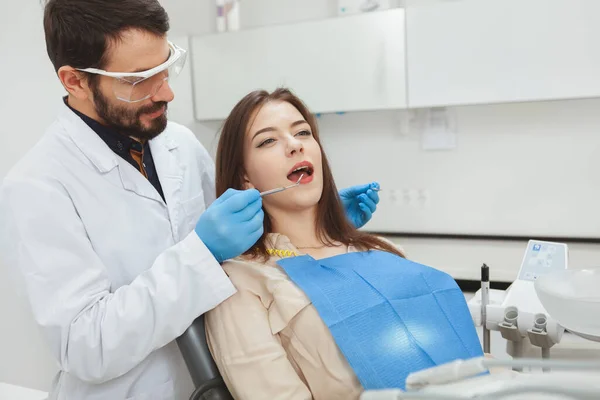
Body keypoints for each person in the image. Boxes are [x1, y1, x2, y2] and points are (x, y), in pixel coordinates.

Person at [0, 1, 380, 399]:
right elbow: (85, 347)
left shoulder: (176, 143)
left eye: (165, 67)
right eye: (137, 80)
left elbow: (245, 254)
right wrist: (200, 253)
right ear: (74, 80)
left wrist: (319, 223)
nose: (166, 91)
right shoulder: (37, 186)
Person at [205, 88, 484, 399]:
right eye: (268, 140)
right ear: (245, 178)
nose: (295, 145)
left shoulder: (379, 249)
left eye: (303, 132)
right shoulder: (241, 283)